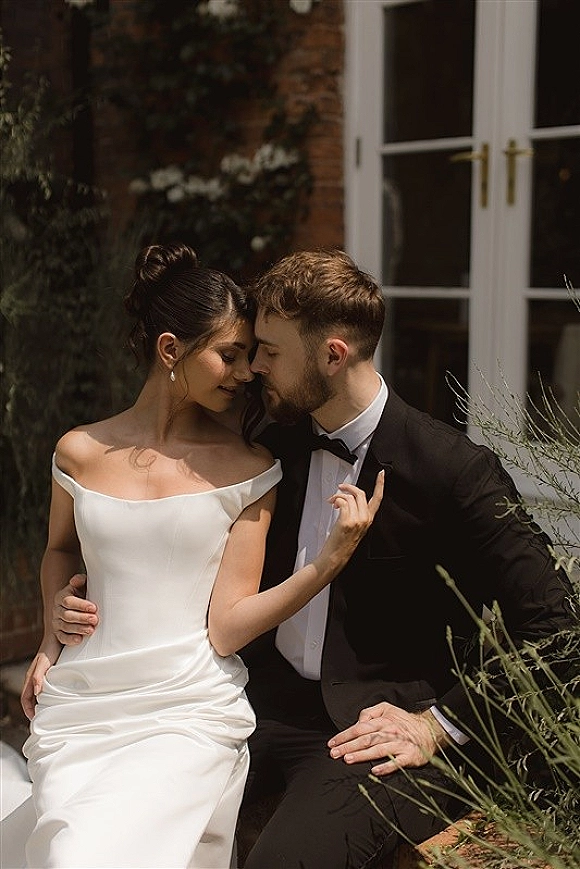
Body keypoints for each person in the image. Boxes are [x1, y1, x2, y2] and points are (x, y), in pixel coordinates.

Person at [49, 249, 574, 869]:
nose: (253, 369)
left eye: (269, 352)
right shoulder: (270, 442)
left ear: (332, 355)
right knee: (129, 824)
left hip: (372, 728)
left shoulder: (453, 471)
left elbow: (558, 628)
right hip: (250, 702)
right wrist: (67, 602)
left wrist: (437, 725)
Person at [15, 243, 383, 869]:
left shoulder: (250, 468)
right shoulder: (77, 451)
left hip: (185, 710)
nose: (247, 373)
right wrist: (53, 624)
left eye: (251, 356)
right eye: (229, 355)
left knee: (80, 854)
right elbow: (58, 550)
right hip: (81, 704)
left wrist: (327, 563)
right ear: (170, 350)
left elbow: (228, 627)